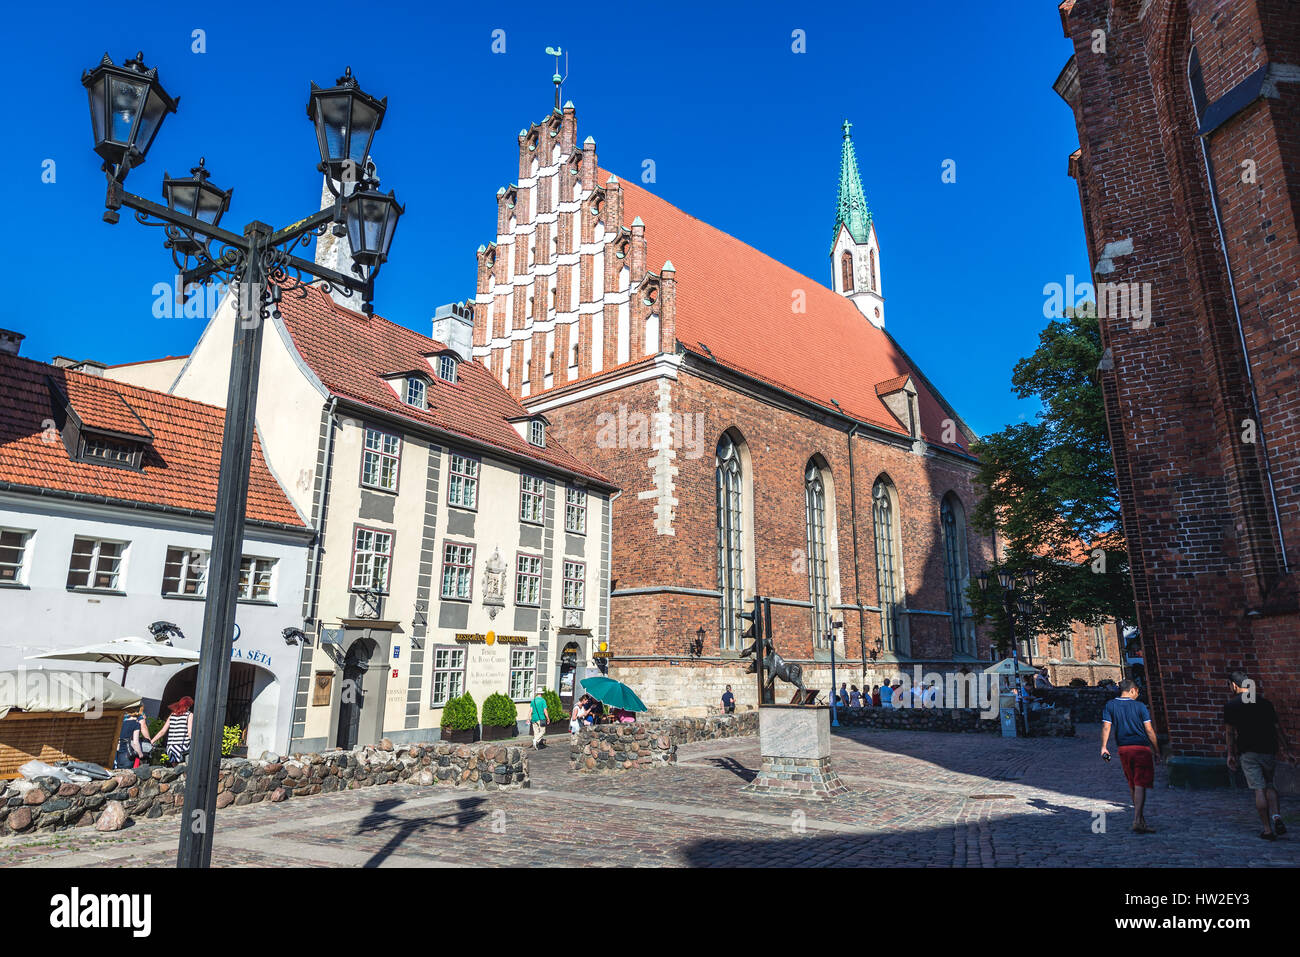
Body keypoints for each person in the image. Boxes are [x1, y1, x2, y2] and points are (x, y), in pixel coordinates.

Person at [1224, 671, 1294, 840]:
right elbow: (1278, 729)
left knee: (1258, 788)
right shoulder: (1265, 703)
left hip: (1248, 752)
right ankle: (1276, 816)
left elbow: (1230, 733)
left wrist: (1230, 754)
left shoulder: (1232, 706)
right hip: (1268, 750)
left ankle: (1267, 830)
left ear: (1234, 685)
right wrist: (1287, 750)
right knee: (1270, 785)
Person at [1100, 679, 1160, 834]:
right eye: (1137, 692)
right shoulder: (1139, 706)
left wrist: (1104, 747)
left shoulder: (1110, 705)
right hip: (1141, 747)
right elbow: (1149, 730)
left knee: (1132, 783)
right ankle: (1137, 820)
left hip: (1123, 749)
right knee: (1140, 783)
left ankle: (1140, 819)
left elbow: (1106, 727)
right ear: (1133, 690)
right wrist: (1157, 749)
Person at [153, 696, 194, 765]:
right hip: (182, 747)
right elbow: (190, 732)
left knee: (175, 769)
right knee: (183, 770)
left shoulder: (172, 715)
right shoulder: (189, 715)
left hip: (171, 747)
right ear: (188, 705)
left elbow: (162, 731)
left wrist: (152, 741)